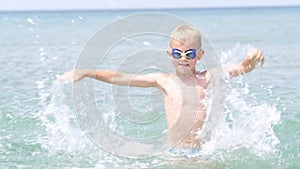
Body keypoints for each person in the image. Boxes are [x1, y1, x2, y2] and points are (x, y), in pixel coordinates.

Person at [58, 25, 264, 151]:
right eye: (178, 53)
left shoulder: (207, 77)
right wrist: (86, 71)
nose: (184, 59)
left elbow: (241, 68)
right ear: (170, 54)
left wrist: (251, 59)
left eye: (190, 54)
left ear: (199, 55)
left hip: (203, 152)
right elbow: (122, 77)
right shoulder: (163, 81)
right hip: (175, 153)